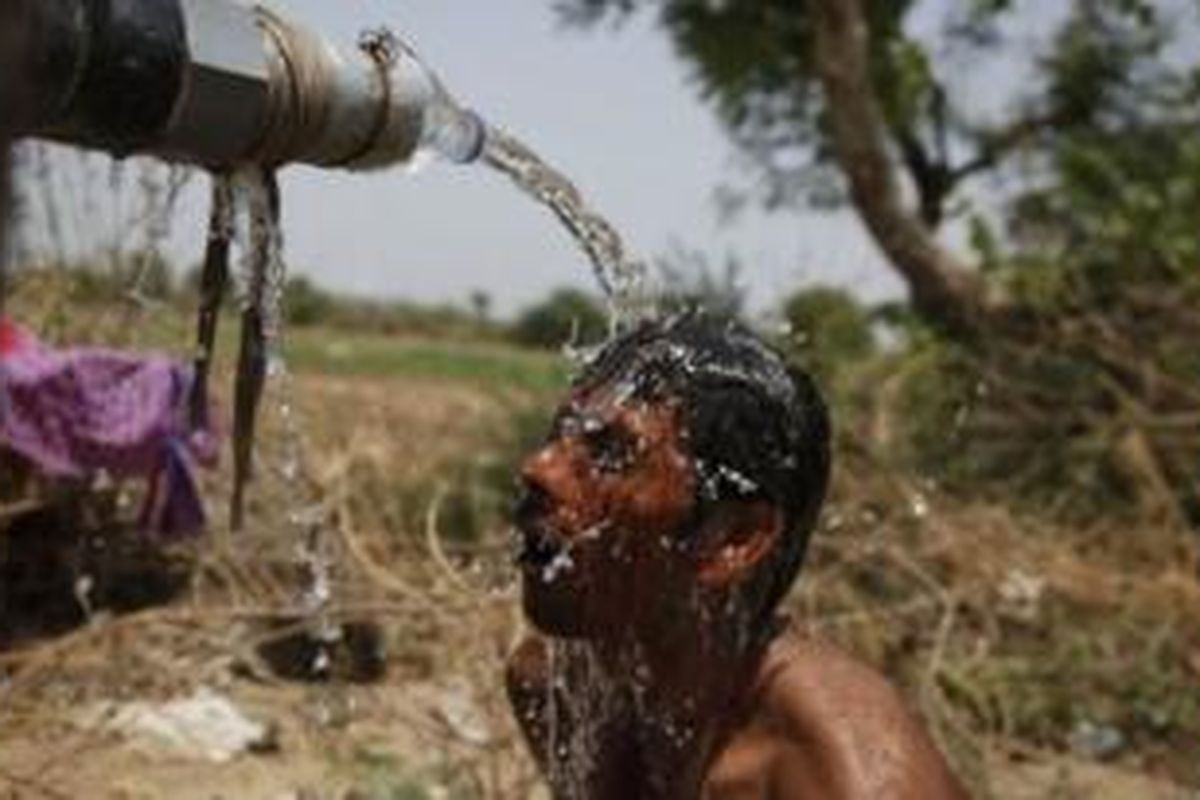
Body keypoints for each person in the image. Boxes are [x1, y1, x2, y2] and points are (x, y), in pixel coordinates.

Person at [507, 312, 967, 799]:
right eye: (562, 434)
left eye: (612, 452)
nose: (540, 469)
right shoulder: (559, 689)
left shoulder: (845, 772)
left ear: (735, 540)